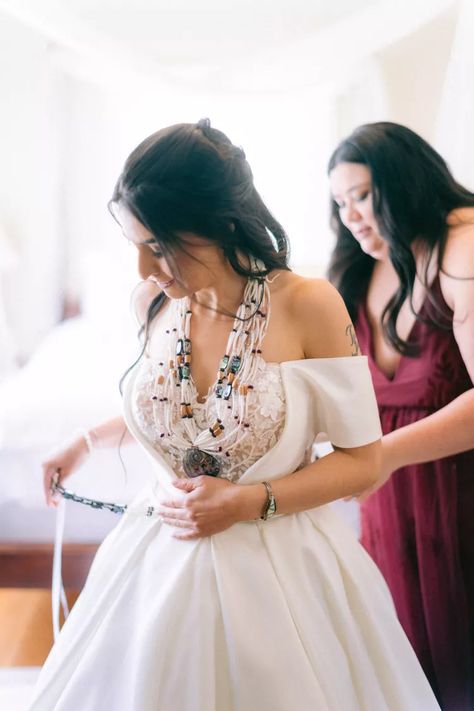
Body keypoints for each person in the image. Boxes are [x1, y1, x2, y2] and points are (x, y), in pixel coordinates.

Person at [29, 120, 440, 710]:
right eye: (134, 246)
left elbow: (363, 461)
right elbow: (187, 410)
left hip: (281, 575)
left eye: (160, 246)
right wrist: (87, 441)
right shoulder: (151, 302)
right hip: (154, 561)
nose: (145, 269)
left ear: (219, 223)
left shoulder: (308, 303)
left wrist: (248, 501)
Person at [328, 121, 474, 711]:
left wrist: (381, 456)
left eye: (361, 195)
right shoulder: (357, 272)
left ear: (403, 181)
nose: (351, 216)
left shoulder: (460, 248)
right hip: (388, 510)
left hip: (459, 502)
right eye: (340, 203)